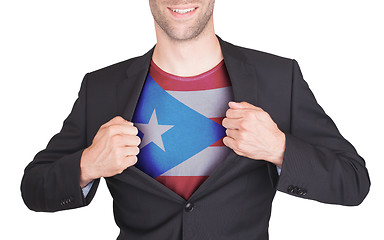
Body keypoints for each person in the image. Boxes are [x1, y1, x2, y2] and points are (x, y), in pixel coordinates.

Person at [21, 0, 370, 239]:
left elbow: (353, 181)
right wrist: (87, 165)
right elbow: (34, 188)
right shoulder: (101, 87)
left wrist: (280, 148)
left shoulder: (279, 78)